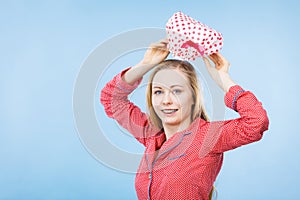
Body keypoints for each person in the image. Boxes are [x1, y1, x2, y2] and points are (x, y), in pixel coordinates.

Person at [100, 38, 269, 200]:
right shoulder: (151, 135)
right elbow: (111, 98)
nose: (166, 100)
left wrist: (223, 78)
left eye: (177, 91)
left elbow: (256, 121)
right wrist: (146, 64)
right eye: (158, 91)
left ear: (194, 97)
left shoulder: (208, 137)